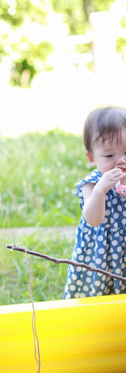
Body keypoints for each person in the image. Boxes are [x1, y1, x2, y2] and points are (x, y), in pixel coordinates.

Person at [63, 106, 126, 299]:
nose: (120, 160)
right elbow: (93, 219)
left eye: (126, 151)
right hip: (100, 252)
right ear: (92, 158)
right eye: (109, 156)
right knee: (99, 290)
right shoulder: (90, 184)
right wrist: (101, 189)